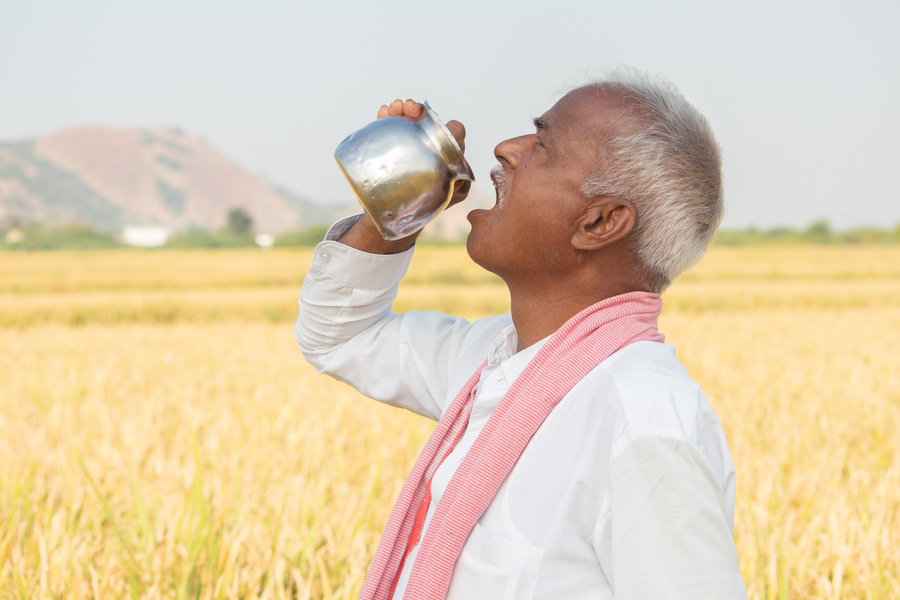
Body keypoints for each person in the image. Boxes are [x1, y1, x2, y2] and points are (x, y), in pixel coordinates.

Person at [296, 67, 747, 600]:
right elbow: (339, 336)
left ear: (600, 223)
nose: (507, 148)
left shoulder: (640, 418)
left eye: (543, 146)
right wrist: (397, 204)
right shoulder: (492, 360)